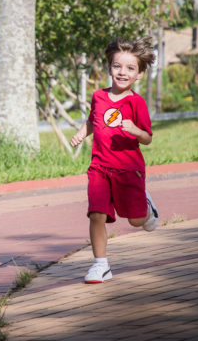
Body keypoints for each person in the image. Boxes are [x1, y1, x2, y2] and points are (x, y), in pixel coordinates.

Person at [70, 36, 159, 284]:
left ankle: (147, 206)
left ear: (139, 74)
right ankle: (100, 265)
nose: (122, 72)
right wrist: (81, 133)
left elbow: (148, 138)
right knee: (96, 214)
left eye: (130, 68)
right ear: (109, 67)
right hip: (99, 167)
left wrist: (135, 130)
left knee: (135, 220)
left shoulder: (136, 103)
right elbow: (93, 120)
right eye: (117, 66)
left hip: (128, 170)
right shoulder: (98, 96)